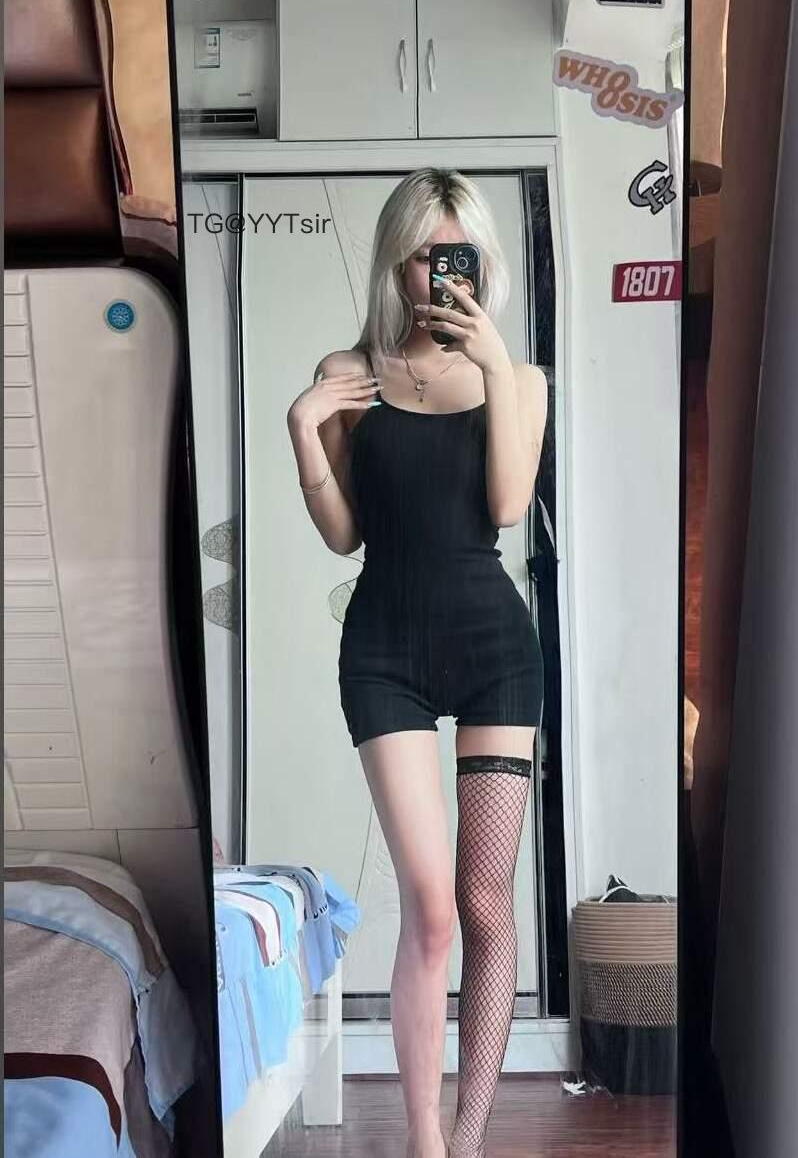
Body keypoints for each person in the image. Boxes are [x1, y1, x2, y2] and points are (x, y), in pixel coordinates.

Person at [286, 168, 548, 1158]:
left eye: (460, 255)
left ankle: (468, 1140)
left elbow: (507, 506)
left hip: (494, 652)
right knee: (432, 907)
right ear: (398, 262)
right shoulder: (348, 372)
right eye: (427, 256)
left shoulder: (520, 379)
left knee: (486, 903)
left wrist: (493, 367)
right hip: (384, 650)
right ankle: (425, 1139)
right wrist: (304, 428)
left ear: (482, 262)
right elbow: (343, 534)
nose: (444, 273)